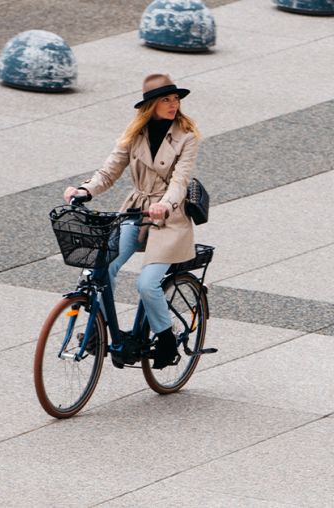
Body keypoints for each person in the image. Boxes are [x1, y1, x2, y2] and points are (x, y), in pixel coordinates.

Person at [63, 73, 200, 369]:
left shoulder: (186, 137)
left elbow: (180, 180)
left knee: (147, 284)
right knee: (103, 268)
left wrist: (165, 204)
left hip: (169, 218)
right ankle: (100, 330)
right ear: (151, 104)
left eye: (175, 98)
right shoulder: (134, 134)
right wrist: (85, 190)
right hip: (136, 210)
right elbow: (109, 171)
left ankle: (164, 338)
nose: (173, 104)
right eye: (165, 99)